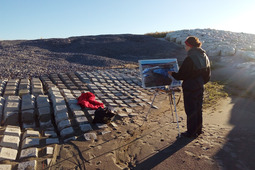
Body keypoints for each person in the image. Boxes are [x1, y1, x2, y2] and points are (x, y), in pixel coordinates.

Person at [169, 36, 211, 138]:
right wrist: (201, 82)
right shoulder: (204, 55)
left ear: (190, 45)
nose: (185, 48)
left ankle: (191, 132)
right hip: (200, 85)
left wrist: (172, 74)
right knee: (198, 108)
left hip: (190, 87)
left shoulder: (190, 58)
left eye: (186, 45)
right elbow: (208, 73)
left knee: (191, 110)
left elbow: (181, 75)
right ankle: (198, 130)